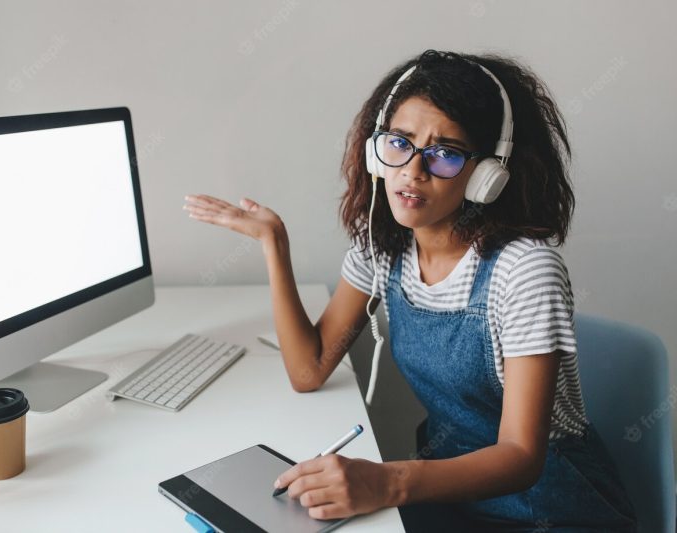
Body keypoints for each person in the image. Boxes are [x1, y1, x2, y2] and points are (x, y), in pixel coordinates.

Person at [183, 49, 637, 532]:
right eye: (399, 142)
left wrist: (388, 483)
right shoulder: (382, 248)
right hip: (445, 488)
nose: (413, 171)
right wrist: (274, 244)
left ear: (488, 174)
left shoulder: (525, 272)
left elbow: (522, 456)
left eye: (446, 153)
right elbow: (309, 369)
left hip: (545, 506)